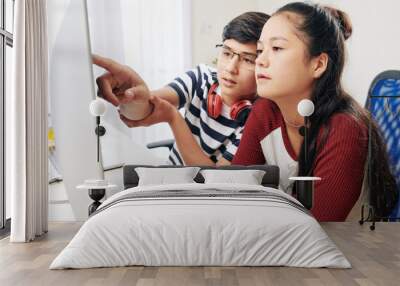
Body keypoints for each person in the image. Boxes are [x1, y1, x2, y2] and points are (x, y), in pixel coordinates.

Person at [232, 2, 399, 221]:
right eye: (260, 50)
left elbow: (317, 228)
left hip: (342, 248)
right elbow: (233, 195)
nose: (260, 61)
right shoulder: (265, 112)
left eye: (277, 48)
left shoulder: (345, 129)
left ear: (318, 65)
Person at [93, 11, 270, 166]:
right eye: (227, 53)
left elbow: (216, 181)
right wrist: (129, 94)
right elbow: (147, 107)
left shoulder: (259, 117)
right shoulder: (201, 78)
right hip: (171, 185)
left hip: (209, 200)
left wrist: (174, 118)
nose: (231, 68)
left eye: (247, 59)